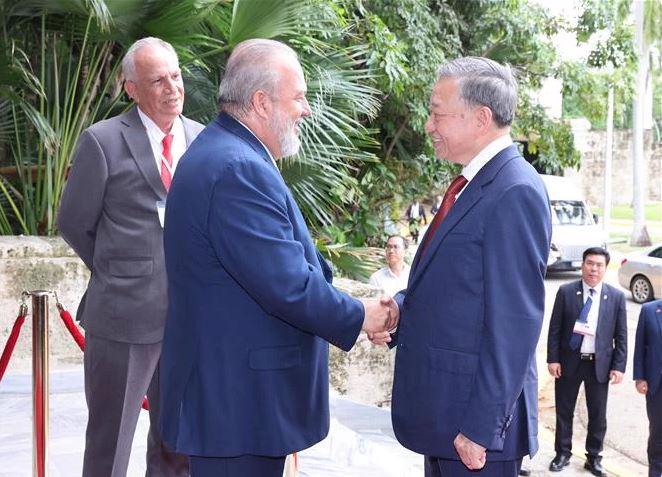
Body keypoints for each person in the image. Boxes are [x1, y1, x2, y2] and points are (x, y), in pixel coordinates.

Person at [159, 38, 396, 477]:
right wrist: (363, 314)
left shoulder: (226, 153)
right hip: (237, 407)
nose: (307, 110)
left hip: (233, 401)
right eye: (300, 97)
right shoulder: (236, 169)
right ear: (261, 103)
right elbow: (287, 284)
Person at [382, 57, 551, 476]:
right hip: (447, 419)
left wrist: (480, 428)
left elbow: (514, 325)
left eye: (437, 113)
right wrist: (402, 308)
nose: (427, 125)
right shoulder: (473, 183)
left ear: (480, 118)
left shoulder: (514, 191)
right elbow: (457, 288)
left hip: (475, 436)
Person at [57, 37, 204, 477]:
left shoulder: (202, 138)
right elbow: (74, 222)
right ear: (131, 89)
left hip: (190, 321)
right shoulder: (102, 142)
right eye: (157, 80)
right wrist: (121, 273)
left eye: (175, 76)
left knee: (177, 445)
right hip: (122, 320)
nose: (171, 88)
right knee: (110, 445)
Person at [547, 247, 627, 476]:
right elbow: (555, 329)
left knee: (598, 415)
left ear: (605, 268)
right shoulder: (566, 291)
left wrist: (618, 367)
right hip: (569, 362)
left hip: (598, 365)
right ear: (582, 265)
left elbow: (621, 335)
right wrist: (553, 359)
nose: (594, 268)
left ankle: (594, 457)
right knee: (564, 411)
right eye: (590, 263)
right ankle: (562, 453)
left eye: (599, 265)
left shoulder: (616, 297)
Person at [633, 299, 662, 477]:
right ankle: (656, 471)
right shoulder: (649, 310)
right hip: (656, 383)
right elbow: (640, 346)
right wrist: (640, 377)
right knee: (658, 431)